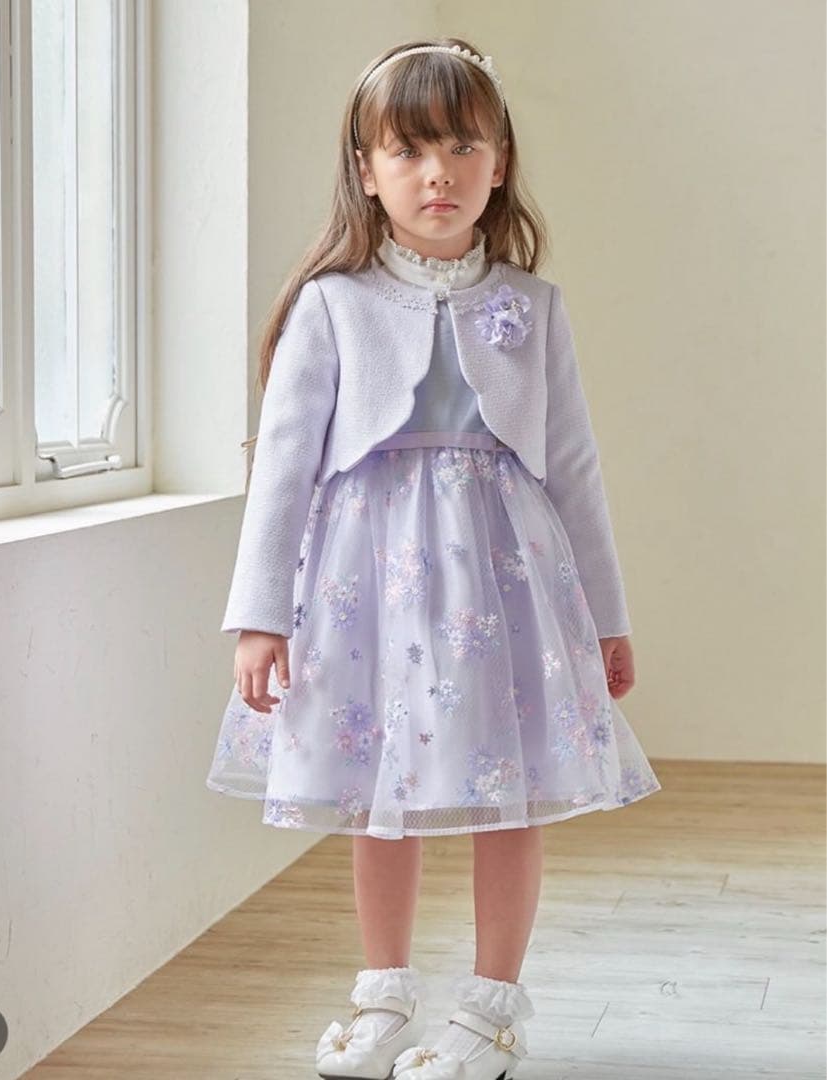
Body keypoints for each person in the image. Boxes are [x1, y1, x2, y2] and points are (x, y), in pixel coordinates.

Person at [205, 36, 662, 1080]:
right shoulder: (333, 303)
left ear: (499, 162)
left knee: (513, 788)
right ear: (366, 171)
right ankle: (383, 996)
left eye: (462, 146)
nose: (437, 174)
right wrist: (259, 616)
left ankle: (491, 1011)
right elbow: (283, 466)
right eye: (408, 150)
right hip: (365, 588)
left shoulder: (533, 307)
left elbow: (574, 468)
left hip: (505, 586)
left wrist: (606, 618)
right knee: (379, 789)